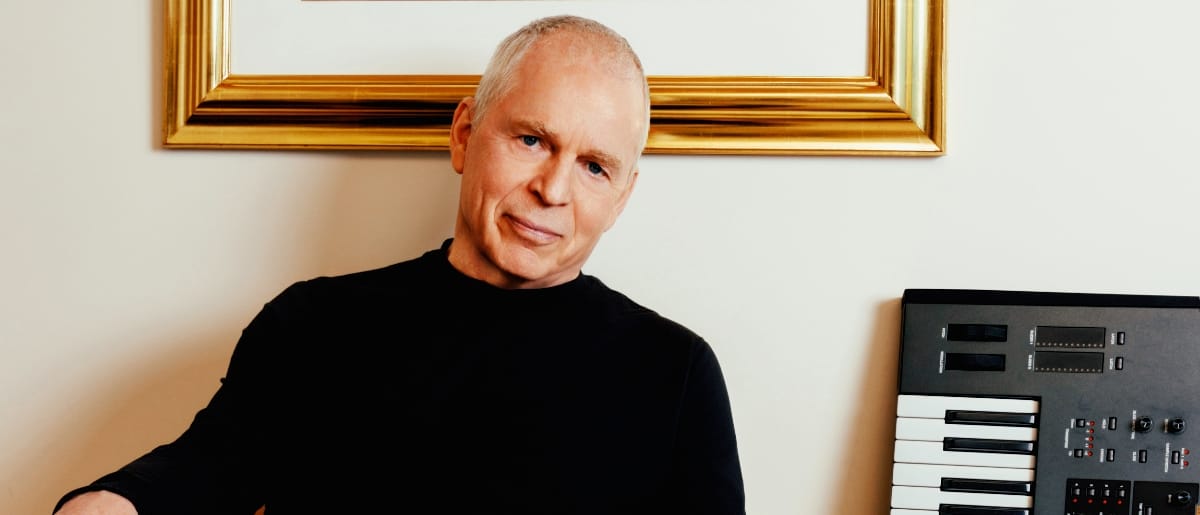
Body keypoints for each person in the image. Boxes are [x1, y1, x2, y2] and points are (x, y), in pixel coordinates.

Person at [54, 14, 744, 515]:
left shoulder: (675, 371)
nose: (554, 190)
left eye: (595, 166)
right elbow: (205, 469)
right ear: (465, 134)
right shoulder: (314, 323)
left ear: (622, 196)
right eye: (531, 139)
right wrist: (113, 502)